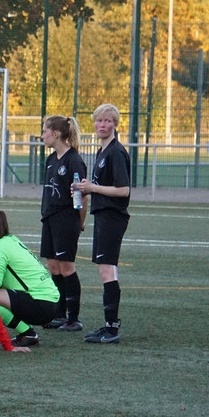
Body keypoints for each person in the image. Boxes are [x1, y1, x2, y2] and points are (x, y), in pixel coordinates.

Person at [72, 103, 131, 344]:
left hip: (112, 216)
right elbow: (100, 185)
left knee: (107, 269)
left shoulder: (116, 152)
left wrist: (93, 188)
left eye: (107, 121)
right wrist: (84, 187)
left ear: (115, 124)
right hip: (103, 215)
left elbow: (124, 190)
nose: (102, 125)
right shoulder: (102, 151)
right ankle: (109, 325)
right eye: (99, 121)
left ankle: (112, 328)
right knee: (105, 269)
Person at [0, 210, 60, 347]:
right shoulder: (11, 239)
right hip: (51, 301)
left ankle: (28, 333)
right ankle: (27, 332)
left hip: (41, 304)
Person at [40, 114, 88, 332]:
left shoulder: (74, 161)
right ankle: (59, 314)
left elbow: (81, 196)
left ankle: (73, 317)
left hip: (66, 219)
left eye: (45, 132)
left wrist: (80, 222)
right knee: (53, 266)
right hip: (49, 218)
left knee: (67, 267)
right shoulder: (51, 160)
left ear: (56, 134)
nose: (42, 136)